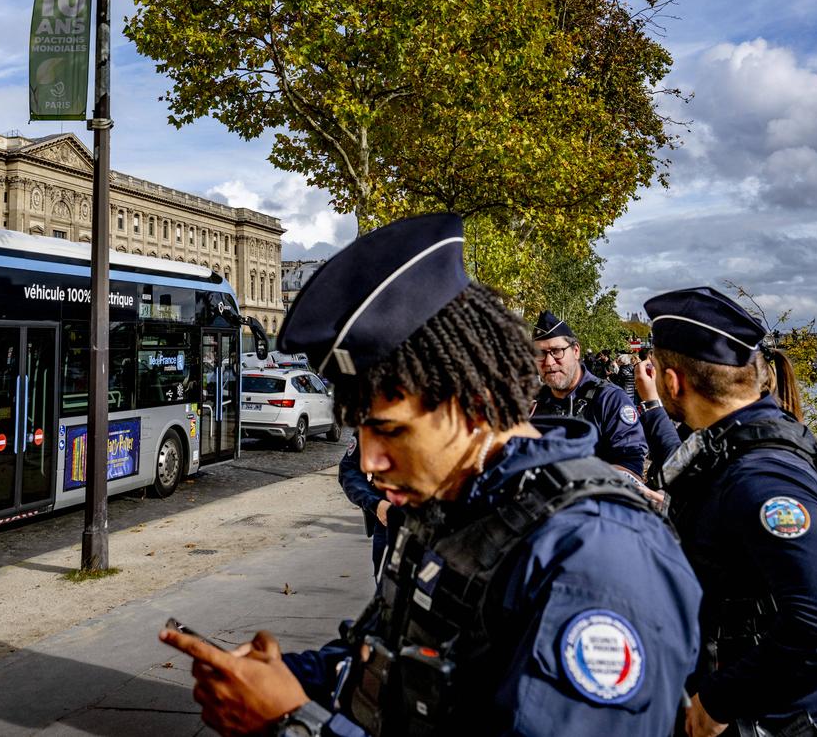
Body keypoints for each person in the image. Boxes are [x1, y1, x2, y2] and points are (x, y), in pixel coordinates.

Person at [160, 214, 701, 736]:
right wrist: (286, 678)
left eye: (391, 432)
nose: (368, 464)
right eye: (362, 434)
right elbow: (381, 660)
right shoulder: (448, 508)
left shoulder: (595, 555)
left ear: (476, 404)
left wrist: (292, 721)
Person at [646, 287, 817, 737]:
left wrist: (720, 699)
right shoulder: (745, 445)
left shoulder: (760, 478)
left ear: (672, 382)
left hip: (776, 722)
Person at [531, 312, 649, 478]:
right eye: (540, 353)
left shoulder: (609, 399)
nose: (549, 362)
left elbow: (630, 465)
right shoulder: (532, 403)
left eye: (557, 351)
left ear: (576, 351)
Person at [337, 435, 394, 578]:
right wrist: (374, 503)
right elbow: (349, 471)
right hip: (389, 525)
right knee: (388, 589)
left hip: (443, 532)